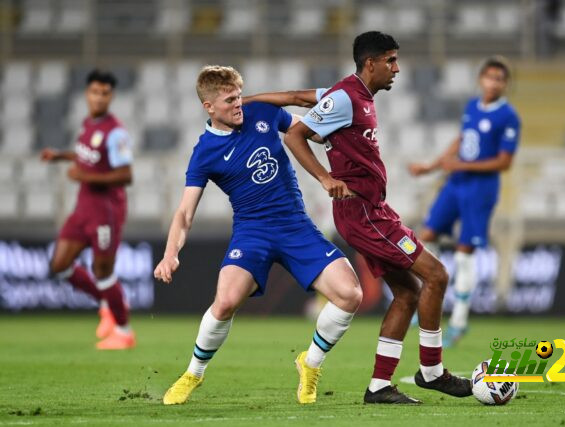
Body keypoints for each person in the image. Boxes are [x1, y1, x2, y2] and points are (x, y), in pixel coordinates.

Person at [253, 31, 472, 404]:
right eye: (391, 60)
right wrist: (325, 178)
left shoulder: (350, 95)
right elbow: (296, 136)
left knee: (407, 293)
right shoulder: (345, 98)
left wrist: (246, 101)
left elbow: (293, 98)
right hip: (364, 214)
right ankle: (432, 371)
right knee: (436, 275)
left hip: (372, 211)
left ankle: (379, 386)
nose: (397, 69)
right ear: (371, 63)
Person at [156, 65, 362, 406]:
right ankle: (193, 372)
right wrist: (170, 253)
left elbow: (308, 133)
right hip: (253, 233)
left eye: (239, 96)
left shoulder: (263, 112)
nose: (239, 104)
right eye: (229, 100)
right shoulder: (204, 152)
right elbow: (185, 212)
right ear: (209, 107)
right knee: (224, 303)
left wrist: (336, 121)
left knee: (350, 294)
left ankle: (309, 364)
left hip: (295, 225)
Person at [408, 56, 521, 348]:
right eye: (489, 77)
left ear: (505, 84)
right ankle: (426, 302)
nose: (493, 82)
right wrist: (432, 166)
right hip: (455, 184)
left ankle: (458, 320)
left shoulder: (508, 116)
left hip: (480, 189)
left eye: (499, 78)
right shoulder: (472, 107)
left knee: (463, 251)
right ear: (481, 79)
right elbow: (461, 141)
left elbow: (504, 162)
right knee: (427, 236)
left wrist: (464, 166)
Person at [40, 69, 135, 350]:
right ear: (87, 94)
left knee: (103, 271)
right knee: (59, 265)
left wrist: (84, 177)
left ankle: (123, 330)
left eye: (105, 93)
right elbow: (87, 156)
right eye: (95, 92)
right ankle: (109, 301)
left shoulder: (115, 132)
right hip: (83, 208)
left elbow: (125, 175)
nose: (99, 98)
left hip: (106, 210)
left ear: (111, 96)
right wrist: (60, 156)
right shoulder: (88, 124)